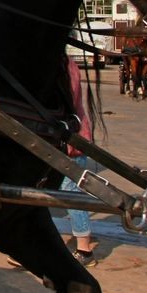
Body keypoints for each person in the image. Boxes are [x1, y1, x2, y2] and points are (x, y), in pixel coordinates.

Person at [59, 56, 99, 267]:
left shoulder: (65, 67)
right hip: (67, 139)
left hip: (71, 140)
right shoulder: (66, 65)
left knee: (71, 192)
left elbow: (66, 102)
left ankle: (84, 248)